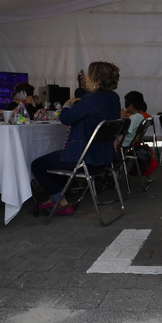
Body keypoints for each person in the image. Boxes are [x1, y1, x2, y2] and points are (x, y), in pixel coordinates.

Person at [31, 61, 121, 215]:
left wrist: (66, 104)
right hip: (106, 158)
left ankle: (59, 201)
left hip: (85, 159)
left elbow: (66, 118)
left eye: (88, 74)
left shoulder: (91, 99)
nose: (85, 77)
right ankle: (56, 198)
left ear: (98, 81)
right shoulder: (114, 98)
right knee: (55, 160)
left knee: (37, 164)